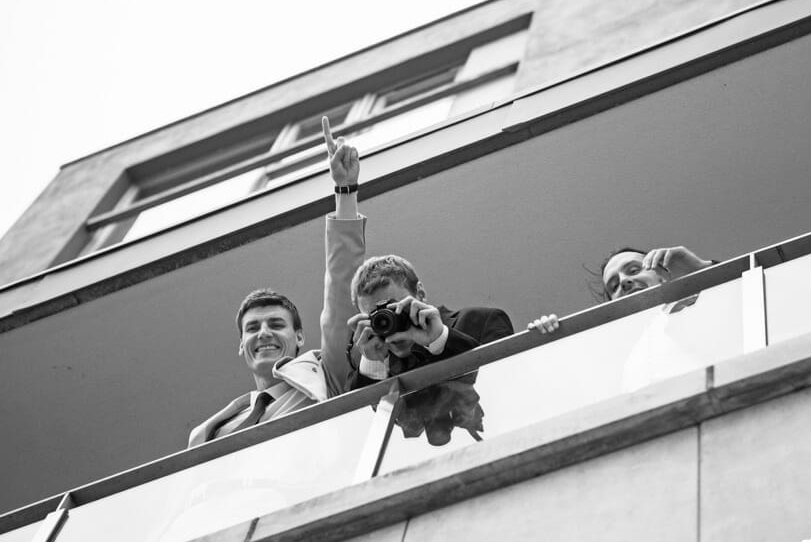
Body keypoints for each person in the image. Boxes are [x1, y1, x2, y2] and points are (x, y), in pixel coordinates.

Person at [187, 117, 365, 447]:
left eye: (275, 324)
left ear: (299, 337)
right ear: (242, 346)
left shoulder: (326, 376)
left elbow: (341, 289)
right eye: (252, 328)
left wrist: (345, 194)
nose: (264, 333)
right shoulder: (215, 427)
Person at [345, 254, 514, 444]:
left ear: (420, 294)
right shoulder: (368, 365)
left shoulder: (482, 322)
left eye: (396, 310)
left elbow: (509, 386)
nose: (390, 324)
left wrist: (439, 339)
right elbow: (357, 434)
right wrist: (372, 365)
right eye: (379, 319)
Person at [527, 245, 725, 392]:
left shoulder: (692, 307)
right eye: (614, 286)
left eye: (634, 270)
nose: (624, 281)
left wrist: (700, 270)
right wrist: (550, 341)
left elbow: (732, 311)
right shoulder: (613, 353)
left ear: (662, 274)